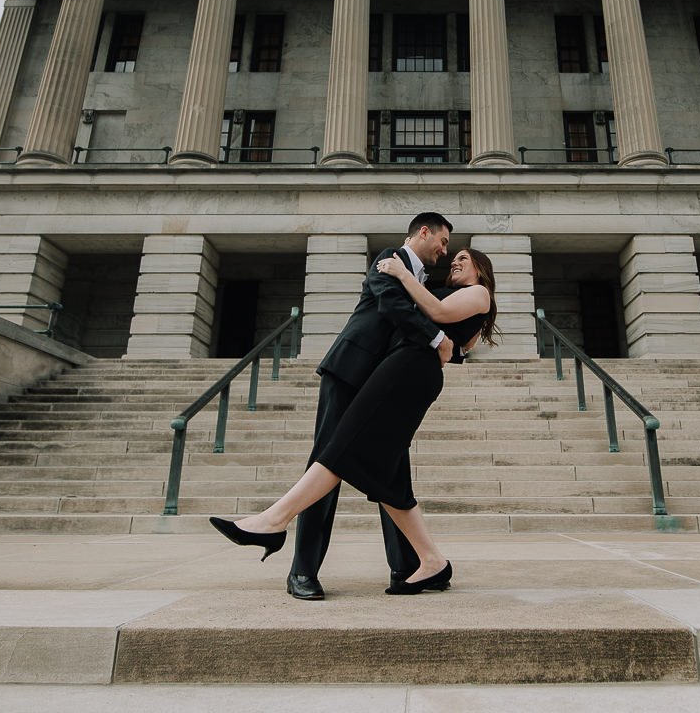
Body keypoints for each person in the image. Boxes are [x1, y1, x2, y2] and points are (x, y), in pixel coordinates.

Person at [210, 236, 499, 597]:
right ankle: (429, 562)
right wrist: (440, 335)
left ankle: (274, 520)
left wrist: (409, 286)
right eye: (446, 248)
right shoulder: (396, 264)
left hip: (408, 371)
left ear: (481, 268)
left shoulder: (477, 293)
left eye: (461, 257)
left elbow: (438, 318)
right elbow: (426, 323)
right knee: (385, 473)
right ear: (422, 234)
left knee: (344, 451)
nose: (450, 258)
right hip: (376, 368)